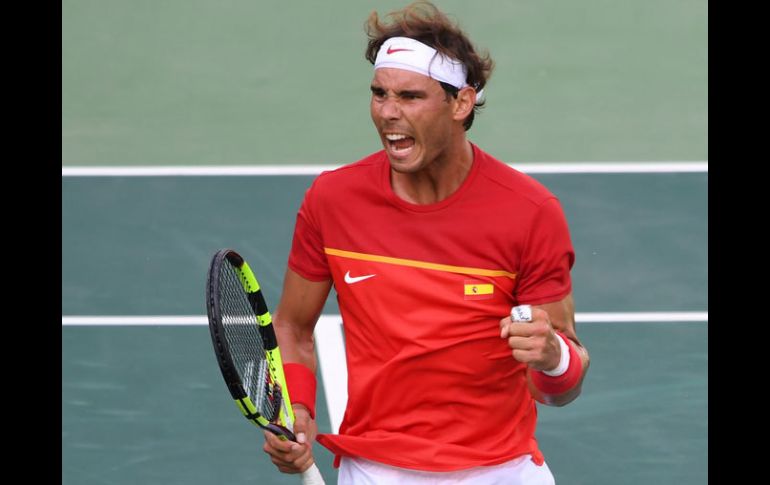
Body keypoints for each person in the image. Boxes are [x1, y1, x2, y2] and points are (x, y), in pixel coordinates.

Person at [262, 2, 590, 483]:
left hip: (500, 470)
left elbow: (560, 389)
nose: (388, 113)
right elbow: (292, 326)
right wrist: (299, 408)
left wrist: (552, 355)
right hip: (377, 468)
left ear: (461, 103)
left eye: (410, 96)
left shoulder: (530, 212)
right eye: (379, 94)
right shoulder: (332, 201)